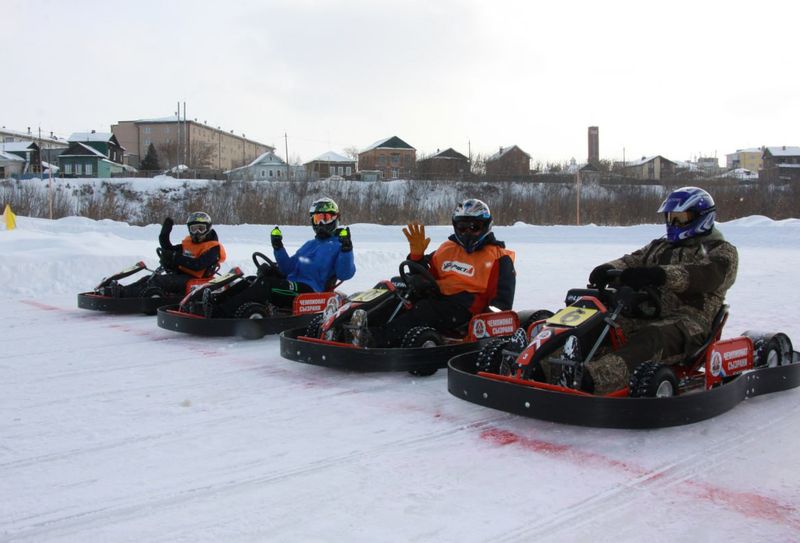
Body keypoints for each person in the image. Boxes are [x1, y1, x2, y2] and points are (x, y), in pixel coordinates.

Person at [577, 186, 739, 394]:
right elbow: (633, 260)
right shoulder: (661, 246)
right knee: (600, 324)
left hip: (691, 323)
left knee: (651, 338)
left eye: (681, 218)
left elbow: (702, 276)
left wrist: (659, 274)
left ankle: (590, 380)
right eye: (671, 217)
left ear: (702, 217)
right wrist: (608, 268)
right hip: (650, 310)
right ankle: (548, 366)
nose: (674, 223)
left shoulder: (722, 251)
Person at [350, 198, 516, 347]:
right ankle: (358, 323)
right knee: (396, 289)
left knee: (424, 309)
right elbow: (425, 272)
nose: (467, 233)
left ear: (486, 226)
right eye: (462, 227)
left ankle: (375, 339)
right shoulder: (447, 248)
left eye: (474, 227)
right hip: (439, 298)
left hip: (467, 309)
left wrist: (484, 327)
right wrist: (417, 257)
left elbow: (501, 303)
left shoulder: (498, 257)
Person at [217, 197, 355, 315]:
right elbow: (288, 268)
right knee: (252, 279)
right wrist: (278, 247)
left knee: (266, 285)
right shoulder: (310, 244)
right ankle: (216, 302)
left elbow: (345, 274)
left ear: (335, 218)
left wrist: (346, 250)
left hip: (310, 291)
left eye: (325, 218)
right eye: (317, 218)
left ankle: (222, 313)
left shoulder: (339, 246)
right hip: (293, 284)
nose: (320, 223)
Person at [116, 211, 227, 297]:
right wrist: (164, 236)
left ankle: (123, 294)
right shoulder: (190, 244)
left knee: (159, 281)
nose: (197, 232)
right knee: (148, 278)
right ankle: (121, 290)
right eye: (194, 229)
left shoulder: (213, 248)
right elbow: (169, 250)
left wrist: (175, 257)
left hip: (196, 279)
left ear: (208, 229)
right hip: (182, 275)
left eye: (201, 228)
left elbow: (198, 265)